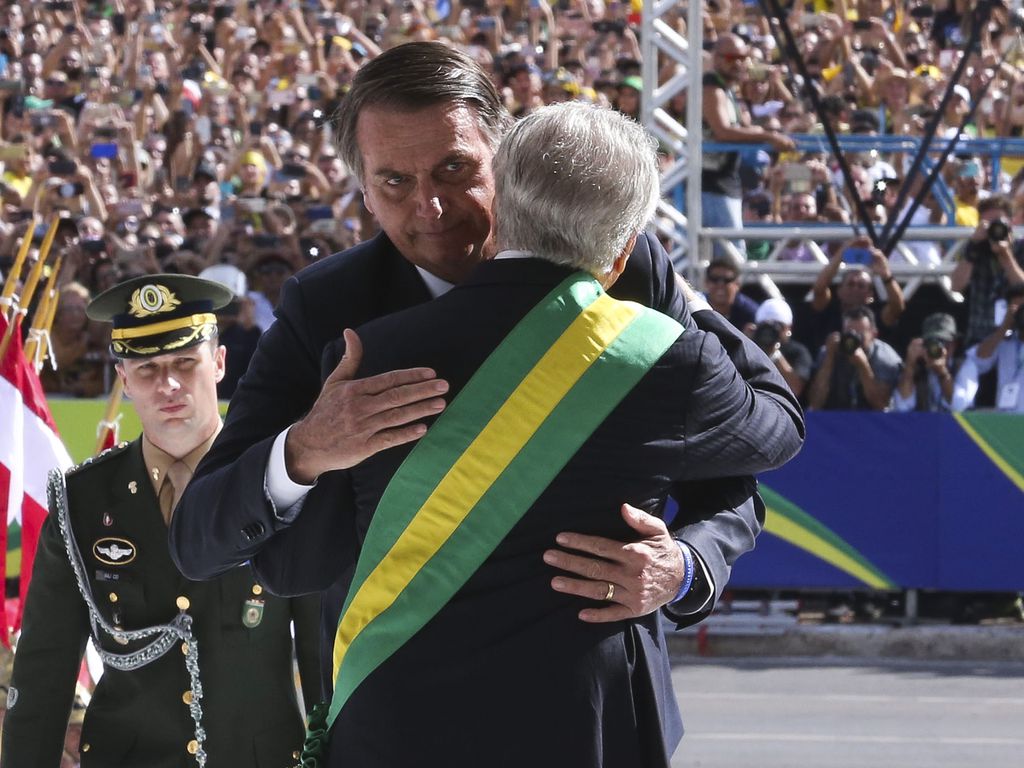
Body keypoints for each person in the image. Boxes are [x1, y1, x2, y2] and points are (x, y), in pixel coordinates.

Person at [170, 41, 803, 701]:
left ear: (501, 155)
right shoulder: (328, 308)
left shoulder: (625, 264)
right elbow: (197, 539)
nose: (431, 208)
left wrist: (686, 565)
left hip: (593, 707)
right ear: (361, 186)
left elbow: (734, 474)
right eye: (394, 182)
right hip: (399, 707)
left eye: (454, 169)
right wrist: (303, 451)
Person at [298, 101, 801, 767]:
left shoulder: (369, 353)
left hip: (391, 723)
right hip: (576, 725)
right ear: (625, 254)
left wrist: (687, 567)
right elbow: (779, 424)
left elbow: (307, 553)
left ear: (498, 209)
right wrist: (686, 298)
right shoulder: (664, 360)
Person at [1, 275, 321, 768]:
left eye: (184, 363)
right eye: (147, 368)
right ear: (124, 380)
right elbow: (44, 670)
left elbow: (325, 656)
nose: (167, 385)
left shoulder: (274, 479)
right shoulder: (81, 501)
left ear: (218, 363)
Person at [701, 34, 795, 257]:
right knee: (732, 256)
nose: (740, 63)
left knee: (727, 253)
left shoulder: (728, 89)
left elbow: (793, 104)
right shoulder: (712, 89)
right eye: (733, 57)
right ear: (718, 59)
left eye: (743, 57)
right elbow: (722, 131)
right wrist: (768, 136)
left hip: (725, 179)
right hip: (712, 182)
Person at [950, 195, 1024, 347]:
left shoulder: (1021, 248)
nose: (994, 228)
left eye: (998, 222)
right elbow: (956, 286)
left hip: (1016, 337)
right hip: (979, 337)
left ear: (1011, 223)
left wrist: (1005, 255)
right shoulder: (974, 249)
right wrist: (973, 248)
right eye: (988, 223)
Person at [808, 305, 903, 411]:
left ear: (874, 334)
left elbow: (881, 405)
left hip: (874, 422)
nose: (853, 340)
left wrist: (863, 366)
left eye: (860, 334)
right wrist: (829, 358)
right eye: (849, 333)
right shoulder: (828, 351)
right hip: (835, 418)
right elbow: (815, 403)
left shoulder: (885, 358)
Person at [953, 290, 1024, 413]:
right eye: (1018, 311)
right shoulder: (1004, 342)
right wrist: (1004, 327)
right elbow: (977, 359)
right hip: (1006, 420)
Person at [891, 312, 959, 412]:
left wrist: (943, 373)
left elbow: (959, 406)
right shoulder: (917, 369)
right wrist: (910, 365)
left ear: (953, 345)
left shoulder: (963, 366)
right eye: (931, 342)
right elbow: (901, 407)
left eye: (942, 341)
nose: (936, 347)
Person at [749, 298, 813, 401]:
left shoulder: (798, 352)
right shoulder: (749, 349)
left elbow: (795, 388)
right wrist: (744, 341)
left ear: (789, 328)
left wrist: (774, 354)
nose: (768, 333)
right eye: (764, 326)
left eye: (778, 326)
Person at [703, 253, 759, 329]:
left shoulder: (751, 314)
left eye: (727, 280)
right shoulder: (697, 307)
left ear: (737, 284)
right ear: (706, 282)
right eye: (714, 279)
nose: (720, 284)